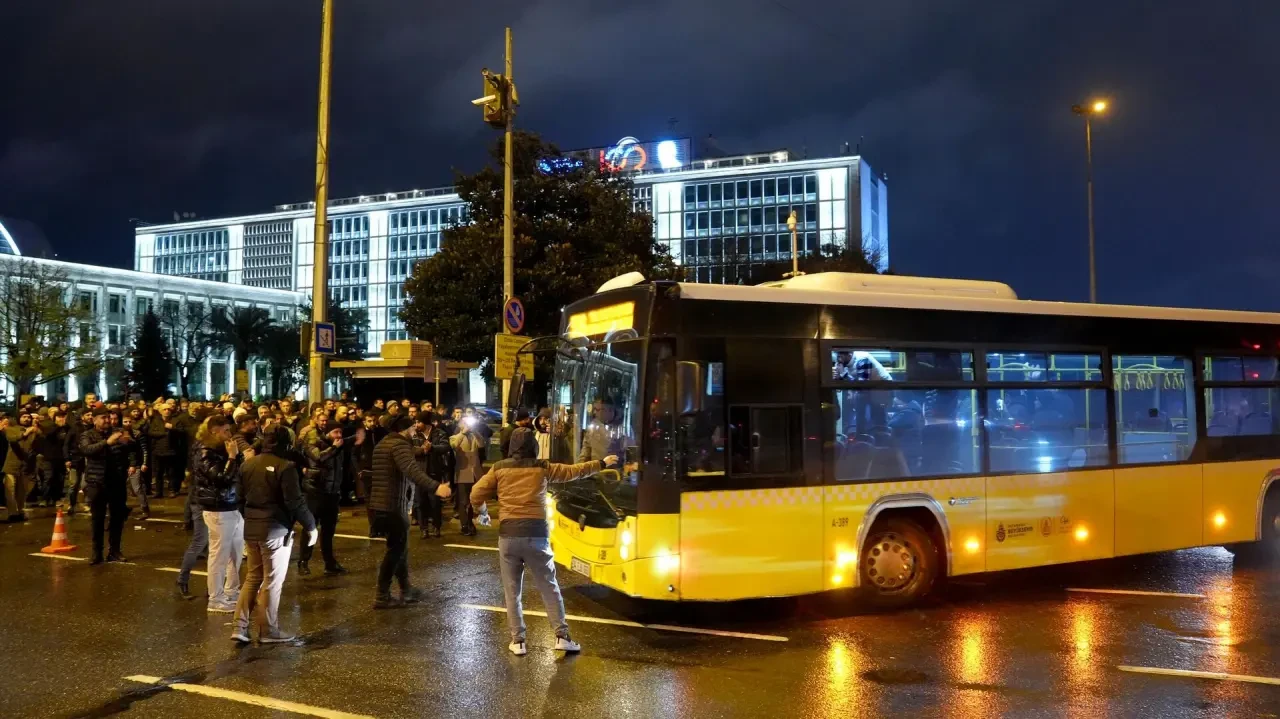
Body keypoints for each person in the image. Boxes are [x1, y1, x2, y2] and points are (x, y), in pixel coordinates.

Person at [471, 427, 617, 655]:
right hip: (537, 534)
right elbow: (574, 471)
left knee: (512, 591)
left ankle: (518, 641)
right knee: (549, 586)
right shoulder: (543, 468)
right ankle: (562, 636)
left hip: (509, 536)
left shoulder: (499, 469)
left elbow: (475, 493)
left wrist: (482, 512)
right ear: (534, 446)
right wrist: (602, 463)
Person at [232, 426, 318, 644]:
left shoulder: (248, 464)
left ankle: (239, 626)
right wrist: (311, 526)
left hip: (252, 527)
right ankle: (268, 630)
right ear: (286, 444)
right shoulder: (285, 466)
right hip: (276, 528)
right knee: (272, 581)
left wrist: (250, 517)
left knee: (253, 577)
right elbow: (294, 501)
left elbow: (239, 498)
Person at [368, 415, 453, 608]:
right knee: (395, 551)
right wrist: (436, 487)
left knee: (399, 549)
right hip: (392, 504)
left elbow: (409, 456)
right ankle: (382, 595)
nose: (415, 430)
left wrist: (422, 450)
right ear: (405, 429)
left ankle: (406, 589)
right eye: (413, 428)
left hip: (382, 504)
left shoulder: (385, 444)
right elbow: (411, 470)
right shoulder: (399, 445)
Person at [192, 414, 246, 613]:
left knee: (236, 552)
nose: (229, 434)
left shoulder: (222, 448)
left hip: (232, 505)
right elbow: (221, 478)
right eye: (225, 430)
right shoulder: (205, 451)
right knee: (219, 555)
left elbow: (236, 473)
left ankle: (232, 591)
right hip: (217, 507)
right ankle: (215, 598)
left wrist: (236, 455)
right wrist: (232, 456)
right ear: (214, 431)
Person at [79, 408, 134, 563]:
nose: (107, 421)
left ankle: (114, 551)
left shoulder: (118, 432)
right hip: (97, 482)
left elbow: (132, 448)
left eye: (109, 418)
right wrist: (106, 442)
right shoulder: (88, 435)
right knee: (97, 518)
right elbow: (86, 450)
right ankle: (96, 552)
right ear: (94, 420)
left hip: (116, 481)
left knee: (117, 518)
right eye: (103, 418)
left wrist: (128, 443)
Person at [297, 410, 346, 576]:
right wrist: (334, 447)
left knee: (329, 530)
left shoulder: (339, 447)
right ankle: (303, 561)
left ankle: (329, 563)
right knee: (311, 528)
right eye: (335, 432)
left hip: (332, 493)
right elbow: (318, 458)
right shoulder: (314, 441)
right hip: (315, 491)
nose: (339, 435)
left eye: (340, 432)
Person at [413, 412, 452, 539]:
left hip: (434, 473)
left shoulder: (439, 433)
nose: (416, 425)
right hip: (419, 474)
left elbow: (446, 447)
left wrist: (432, 448)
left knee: (435, 502)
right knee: (420, 502)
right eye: (416, 422)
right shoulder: (414, 435)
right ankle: (423, 528)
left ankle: (436, 526)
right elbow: (409, 449)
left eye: (419, 422)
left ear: (426, 423)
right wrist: (422, 450)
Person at [450, 416, 487, 536]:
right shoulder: (455, 437)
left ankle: (470, 522)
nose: (467, 424)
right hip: (463, 471)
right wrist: (462, 433)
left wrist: (475, 430)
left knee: (472, 500)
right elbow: (454, 446)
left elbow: (482, 444)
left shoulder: (474, 436)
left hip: (475, 471)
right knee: (464, 500)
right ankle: (465, 524)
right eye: (464, 422)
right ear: (460, 424)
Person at [4, 412, 39, 522]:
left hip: (25, 466)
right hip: (12, 465)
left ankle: (20, 511)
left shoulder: (34, 430)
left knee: (22, 491)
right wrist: (24, 434)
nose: (27, 419)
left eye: (28, 417)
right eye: (24, 417)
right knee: (10, 490)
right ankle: (12, 513)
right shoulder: (11, 429)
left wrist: (37, 426)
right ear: (19, 418)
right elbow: (12, 439)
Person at [147, 404, 182, 498]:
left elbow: (182, 432)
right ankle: (159, 492)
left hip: (171, 451)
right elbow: (150, 432)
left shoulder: (176, 420)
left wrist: (172, 428)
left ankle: (172, 490)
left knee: (171, 473)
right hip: (158, 451)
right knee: (158, 473)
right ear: (160, 411)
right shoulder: (156, 421)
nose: (167, 411)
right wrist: (163, 434)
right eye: (164, 409)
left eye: (168, 409)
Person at [63, 408, 93, 515]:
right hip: (76, 460)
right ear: (82, 416)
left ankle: (88, 504)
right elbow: (66, 444)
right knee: (73, 484)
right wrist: (67, 458)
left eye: (91, 415)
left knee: (86, 484)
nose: (90, 417)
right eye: (88, 415)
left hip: (89, 460)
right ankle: (72, 504)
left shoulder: (93, 428)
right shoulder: (75, 429)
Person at [121, 412, 151, 519]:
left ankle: (145, 509)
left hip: (135, 464)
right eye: (125, 421)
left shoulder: (137, 434)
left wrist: (144, 463)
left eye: (130, 421)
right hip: (122, 464)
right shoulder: (118, 433)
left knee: (137, 488)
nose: (128, 423)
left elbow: (144, 449)